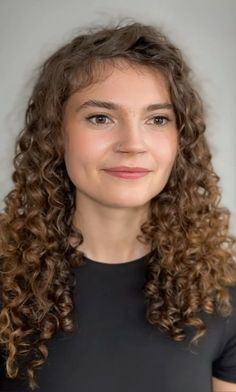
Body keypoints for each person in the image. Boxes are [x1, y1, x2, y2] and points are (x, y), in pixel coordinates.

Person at [0, 18, 236, 392]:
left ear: (181, 140)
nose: (133, 143)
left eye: (157, 119)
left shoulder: (222, 295)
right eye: (100, 117)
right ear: (54, 134)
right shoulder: (7, 286)